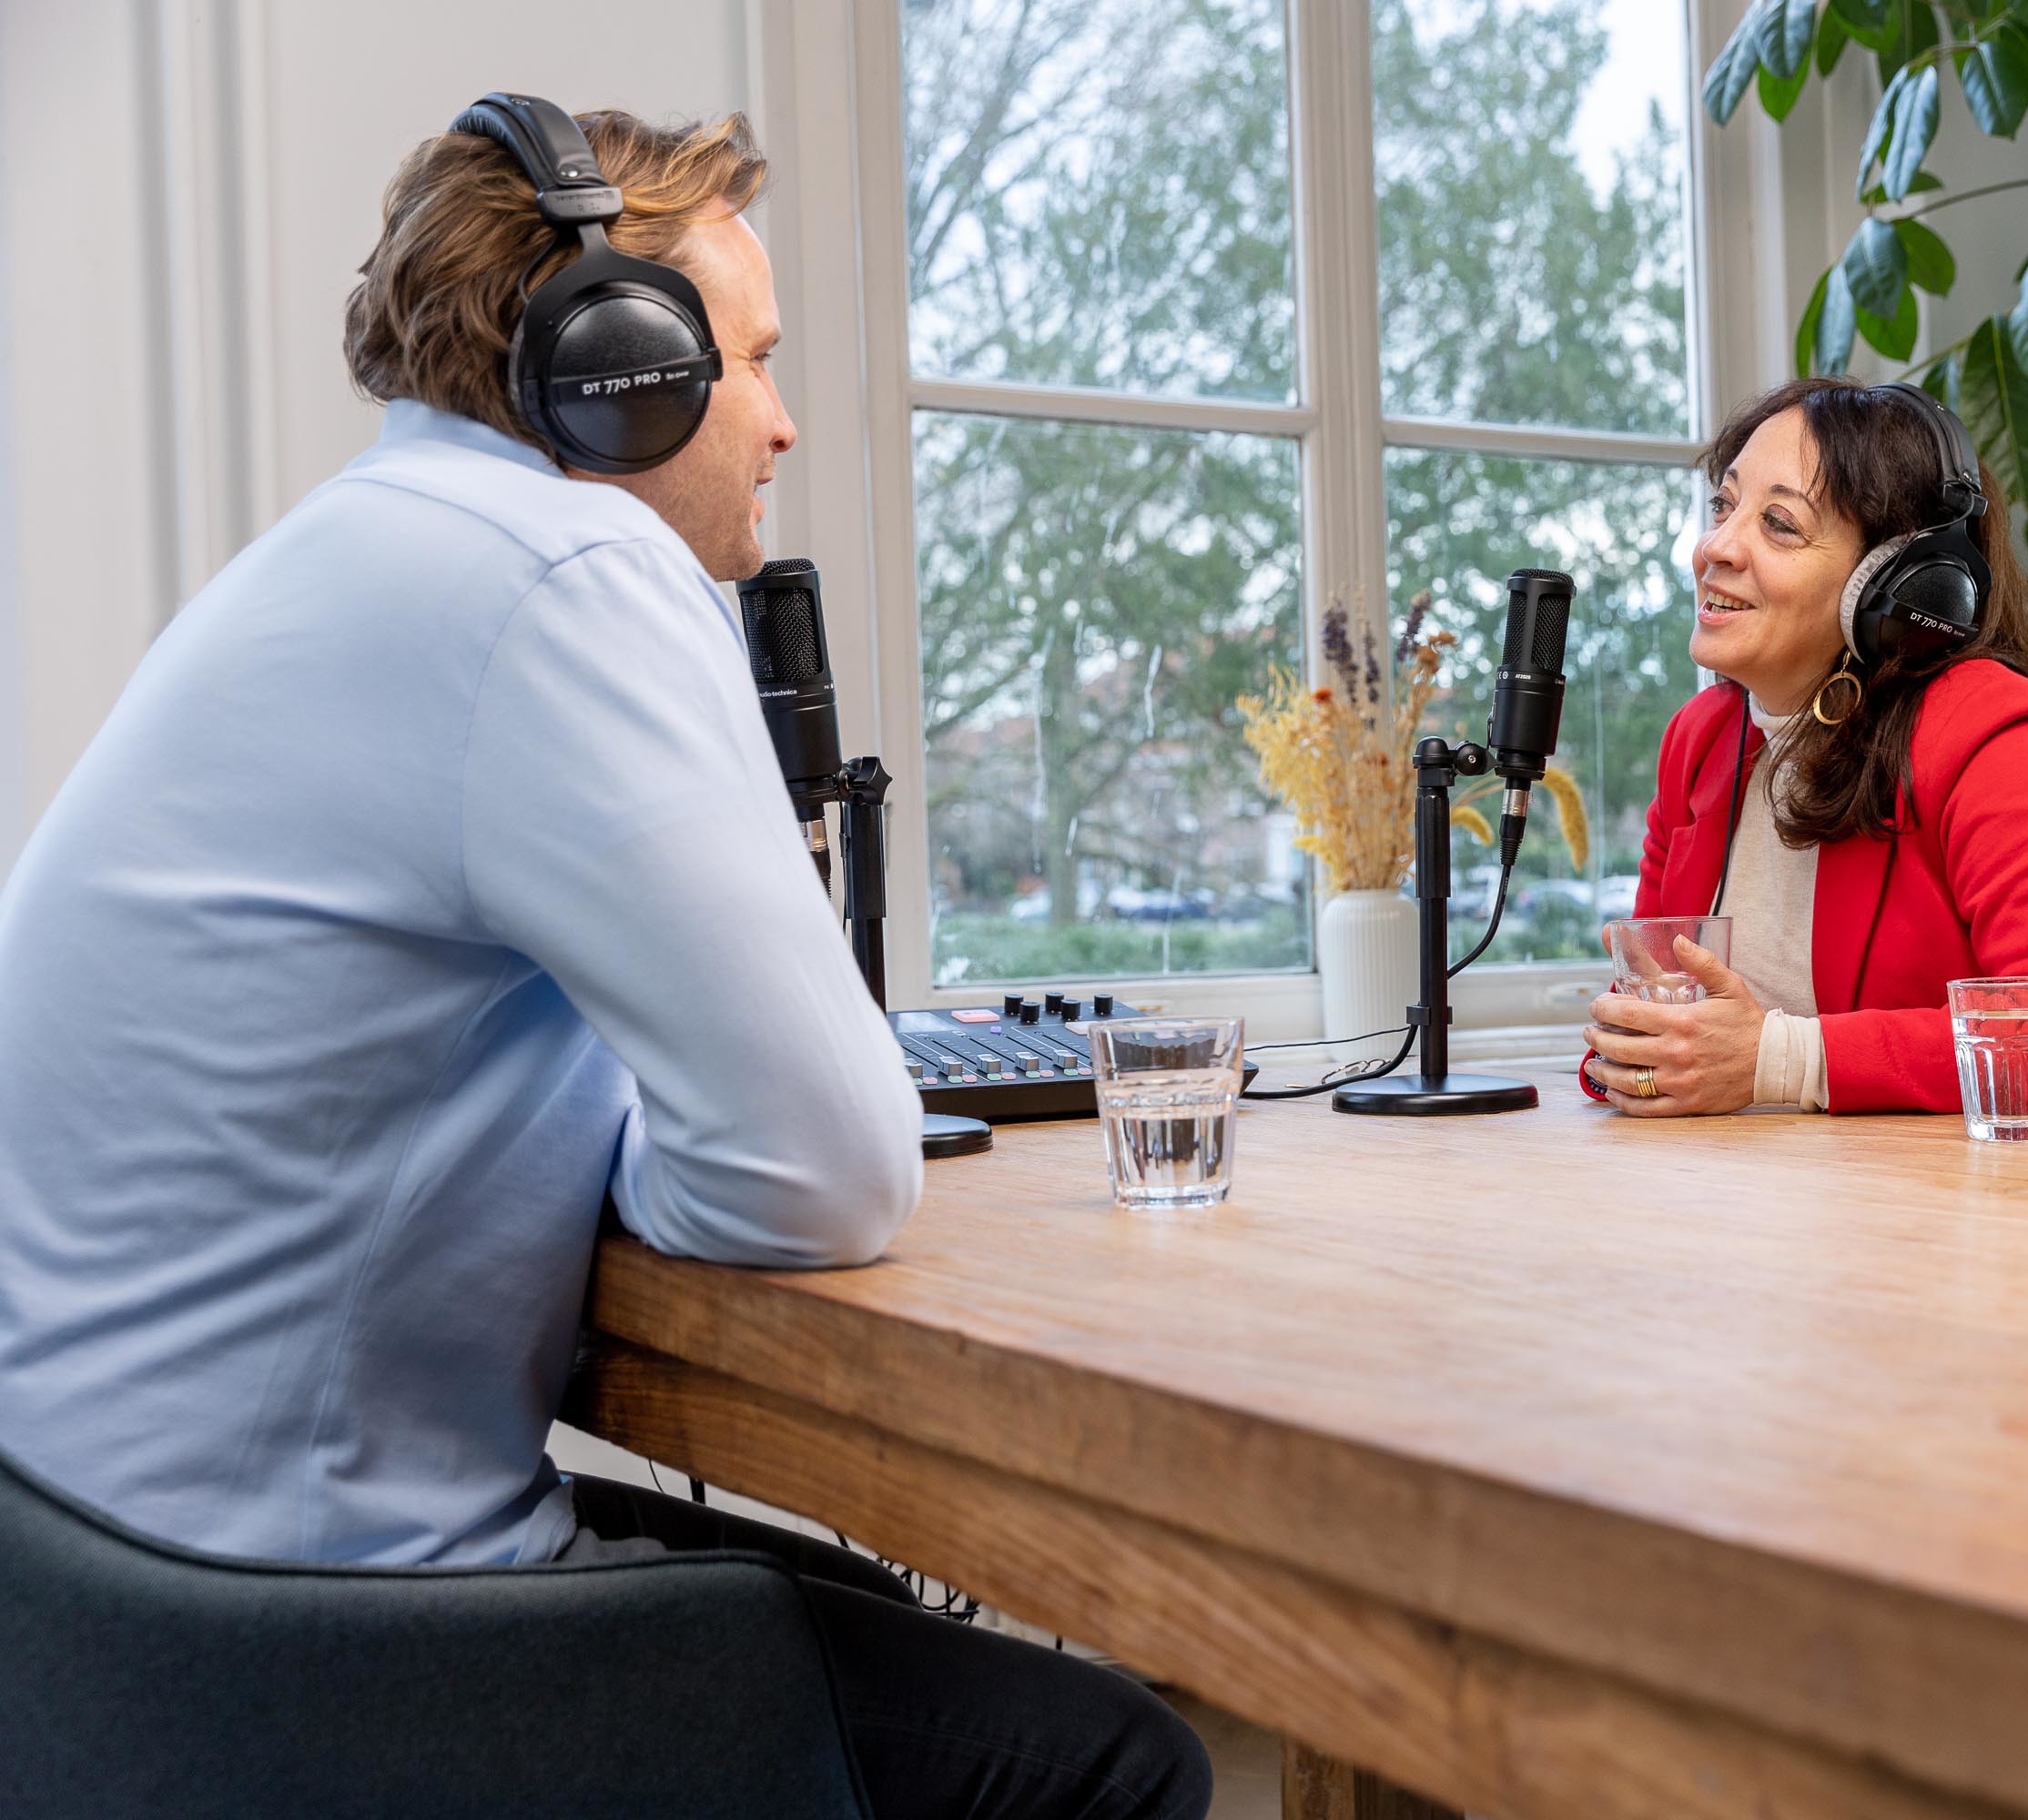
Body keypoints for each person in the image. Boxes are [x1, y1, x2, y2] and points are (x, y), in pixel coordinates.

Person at [0, 98, 1209, 1818]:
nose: (782, 423)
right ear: (615, 367)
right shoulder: (566, 572)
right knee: (1111, 1759)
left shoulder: (362, 544)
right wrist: (674, 1141)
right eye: (754, 361)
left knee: (862, 1618)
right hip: (276, 1632)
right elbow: (830, 1170)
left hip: (83, 1594)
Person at [1580, 377, 2028, 1122]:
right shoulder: (1701, 741)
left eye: (1779, 523)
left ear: (1896, 584)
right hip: (1805, 1186)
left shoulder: (1985, 728)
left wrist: (1777, 1060)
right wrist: (1642, 1054)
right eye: (1723, 505)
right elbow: (1649, 1025)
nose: (1715, 547)